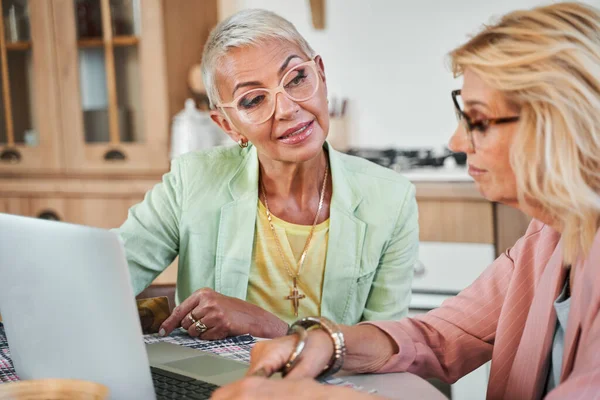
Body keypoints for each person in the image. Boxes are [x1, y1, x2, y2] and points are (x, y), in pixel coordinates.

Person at [212, 2, 600, 399]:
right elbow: (438, 336)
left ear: (563, 122)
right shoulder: (551, 237)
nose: (456, 143)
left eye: (478, 121)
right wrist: (329, 343)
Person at [116, 9, 418, 340]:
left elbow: (385, 347)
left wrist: (272, 327)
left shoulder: (391, 199)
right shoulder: (192, 181)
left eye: (298, 78)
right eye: (254, 100)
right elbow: (105, 274)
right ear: (228, 126)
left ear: (320, 74)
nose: (288, 109)